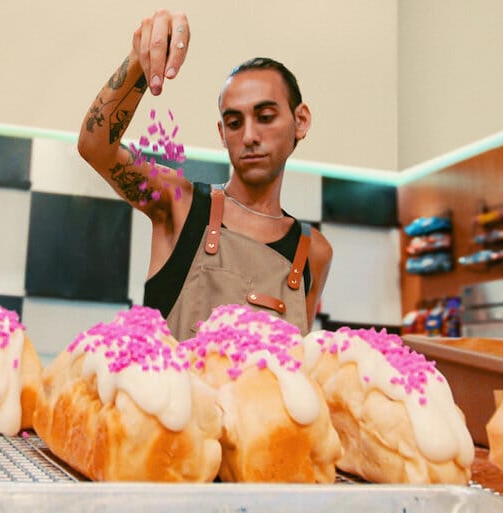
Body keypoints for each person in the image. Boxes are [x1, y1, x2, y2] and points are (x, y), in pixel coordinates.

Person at [77, 9, 332, 340]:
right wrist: (140, 63)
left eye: (266, 116)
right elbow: (95, 146)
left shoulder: (313, 251)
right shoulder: (180, 205)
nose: (250, 136)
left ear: (301, 121)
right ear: (222, 133)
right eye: (235, 122)